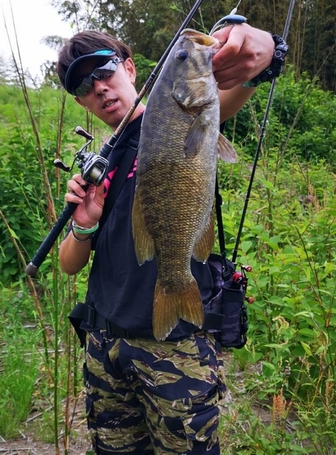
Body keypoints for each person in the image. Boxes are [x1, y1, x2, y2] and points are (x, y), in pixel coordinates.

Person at [56, 25, 283, 454]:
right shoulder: (97, 161)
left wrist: (261, 53)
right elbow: (70, 263)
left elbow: (234, 86)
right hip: (104, 346)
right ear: (80, 100)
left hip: (177, 351)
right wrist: (84, 223)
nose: (99, 89)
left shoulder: (176, 114)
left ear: (128, 67)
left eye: (103, 72)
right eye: (83, 86)